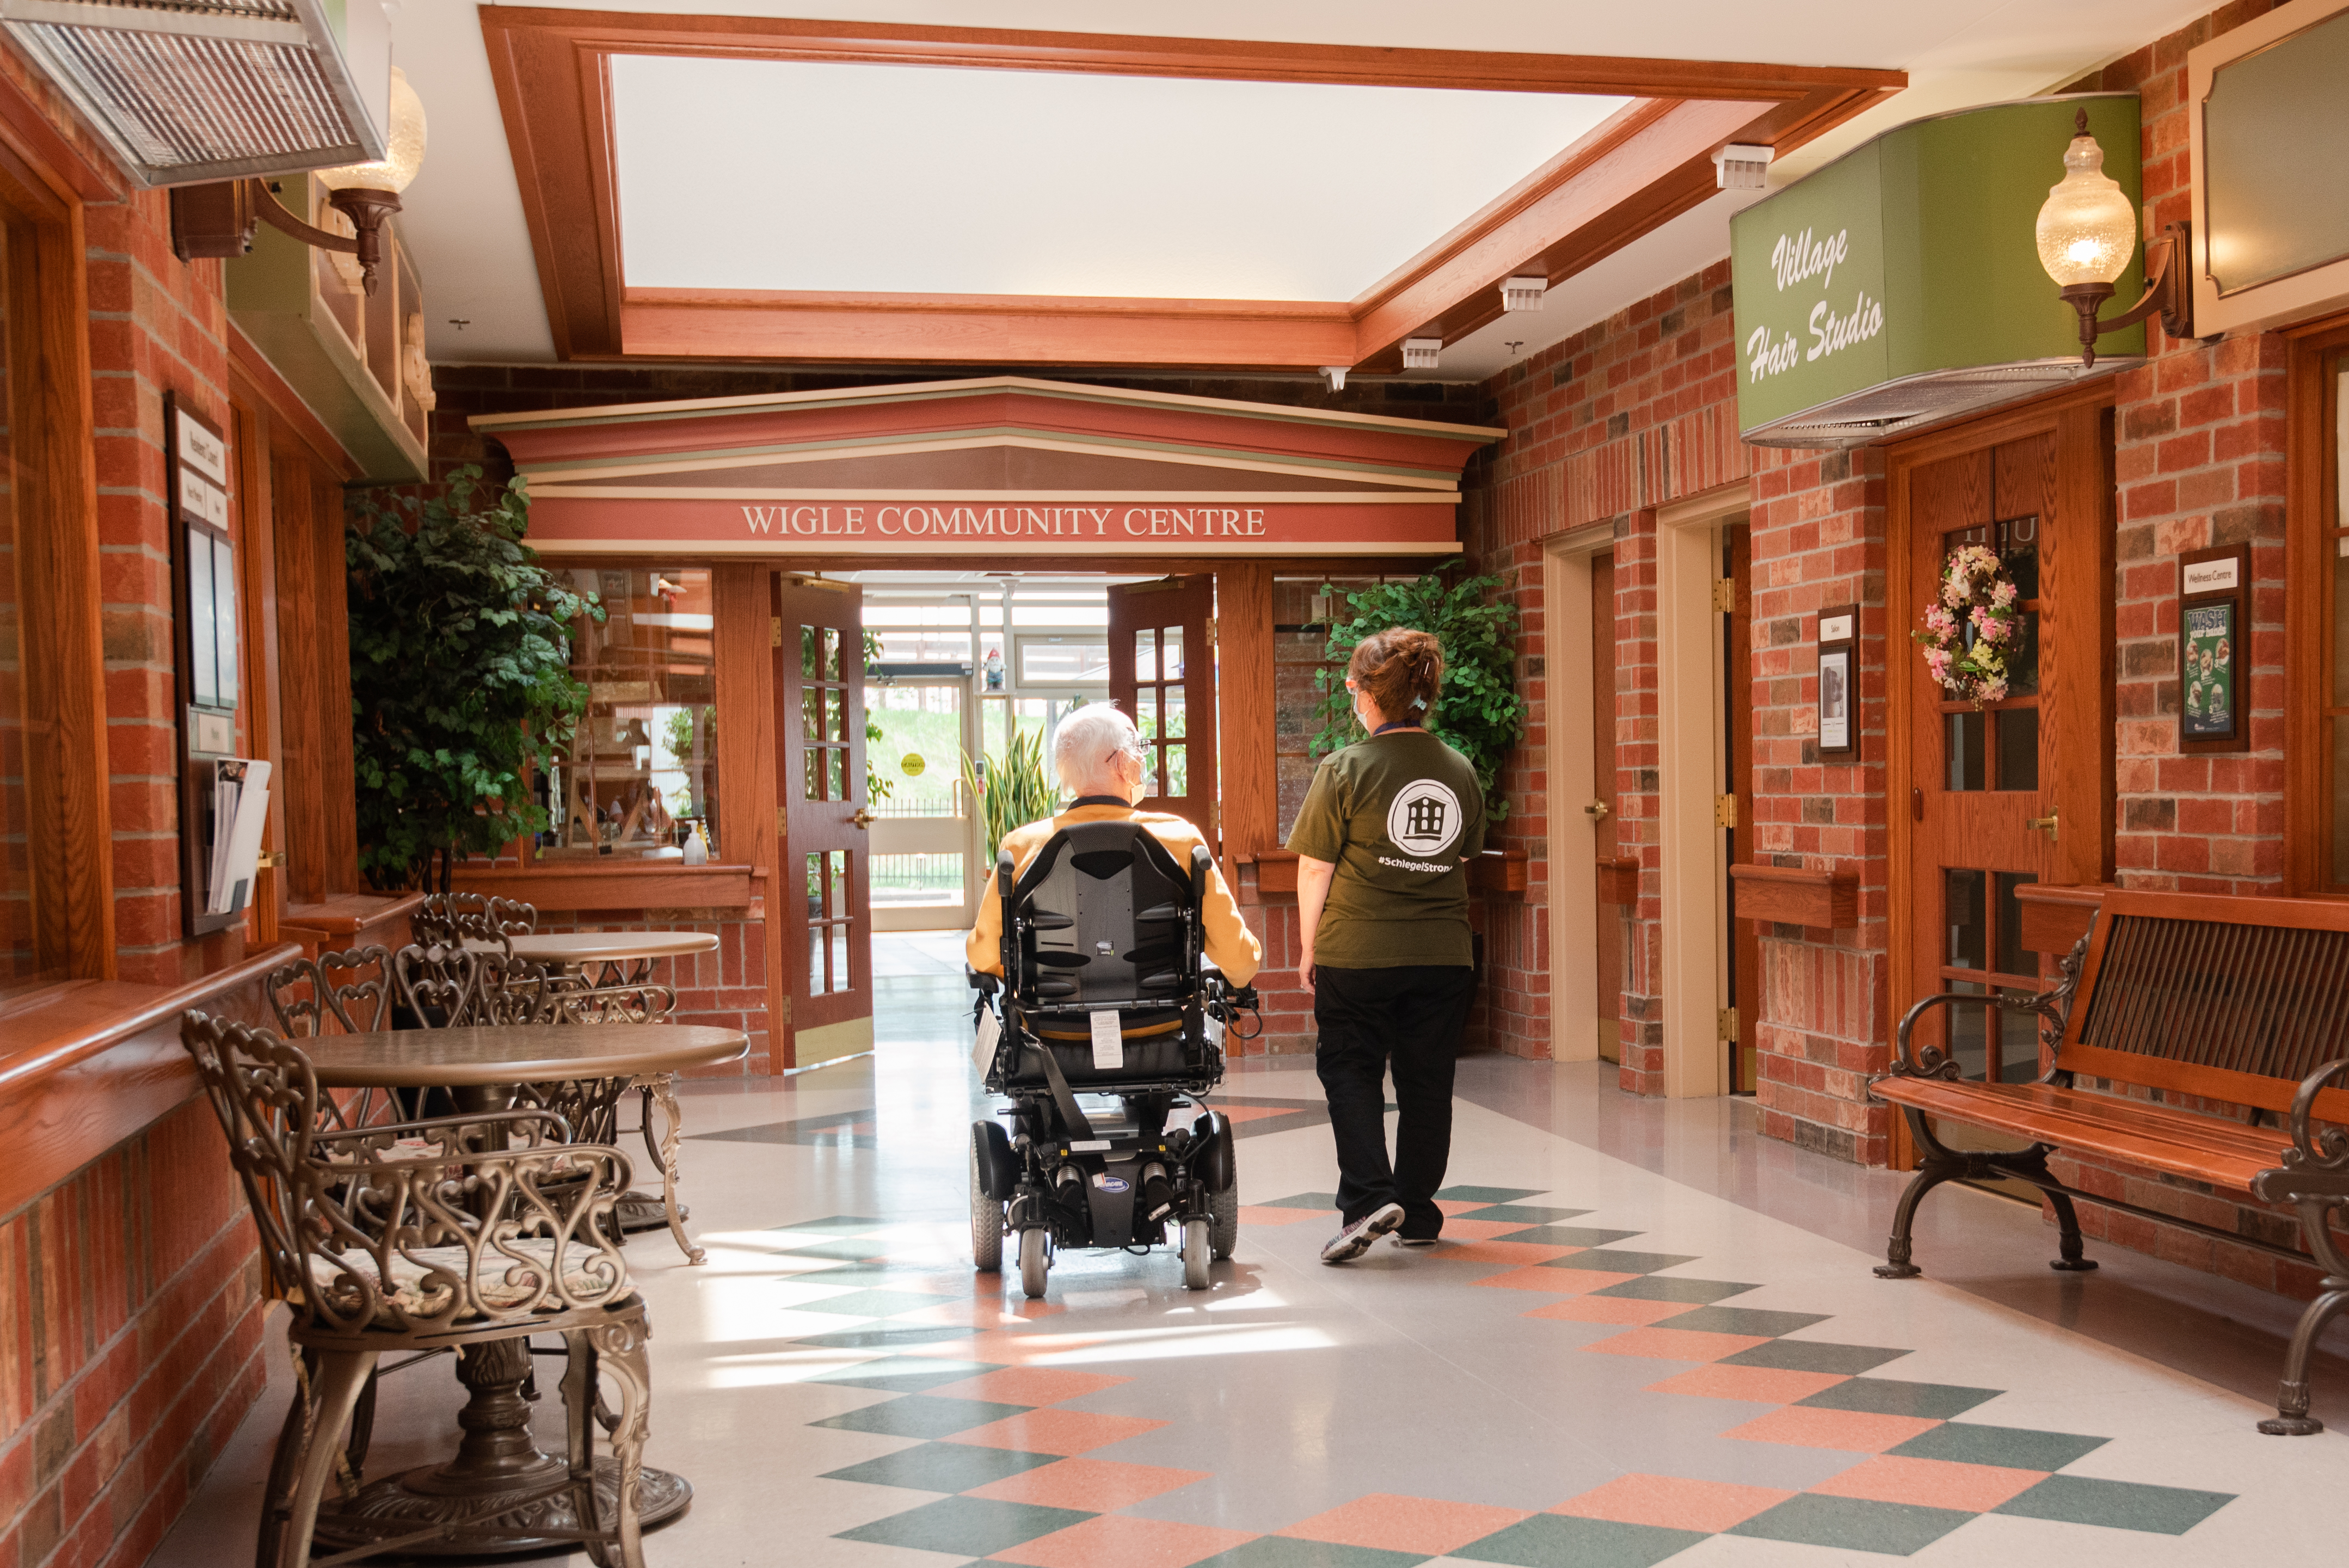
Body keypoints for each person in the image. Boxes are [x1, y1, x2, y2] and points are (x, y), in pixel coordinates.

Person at [1287, 628, 1485, 1264]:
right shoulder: (1457, 768)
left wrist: (1307, 945)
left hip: (1358, 950)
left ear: (1371, 695)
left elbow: (1316, 866)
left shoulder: (1344, 768)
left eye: (1353, 686)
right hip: (1442, 953)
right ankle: (1419, 1210)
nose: (1351, 696)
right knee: (1428, 1081)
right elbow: (1461, 852)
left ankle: (1369, 1200)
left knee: (1351, 1071)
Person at [967, 703, 1260, 988]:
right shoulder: (1181, 839)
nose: (1142, 760)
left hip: (1053, 1029)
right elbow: (1237, 956)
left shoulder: (1021, 846)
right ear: (1122, 762)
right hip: (1161, 1025)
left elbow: (984, 956)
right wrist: (1241, 971)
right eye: (1138, 750)